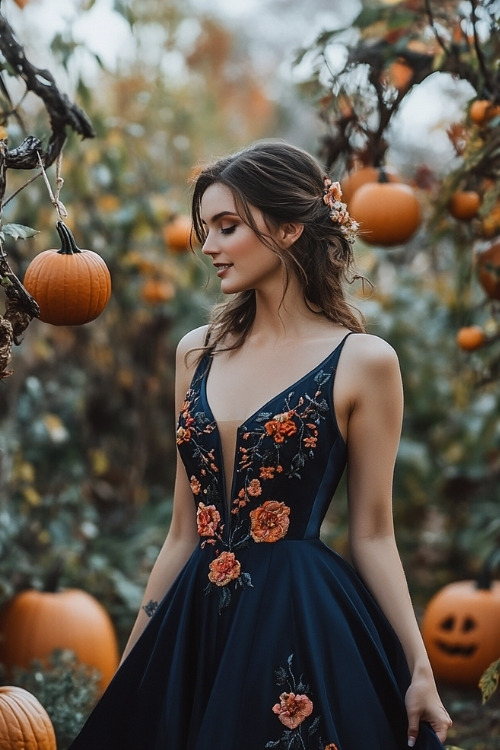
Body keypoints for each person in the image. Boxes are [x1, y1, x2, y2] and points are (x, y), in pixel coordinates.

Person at [69, 141, 452, 750]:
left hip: (299, 619)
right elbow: (183, 531)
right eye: (204, 229)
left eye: (228, 227)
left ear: (290, 227)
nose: (209, 246)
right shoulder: (196, 352)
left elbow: (374, 535)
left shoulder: (363, 362)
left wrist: (421, 670)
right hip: (195, 622)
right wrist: (137, 664)